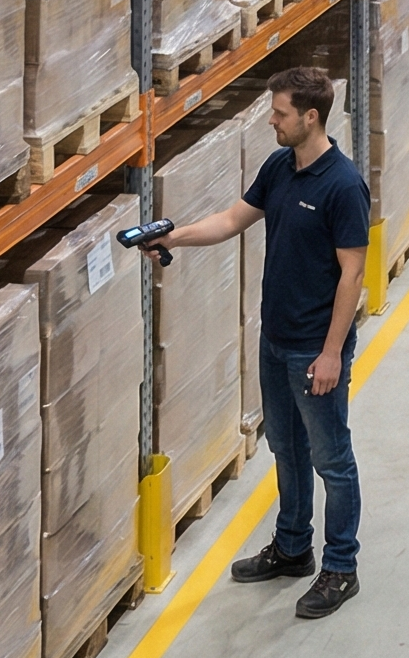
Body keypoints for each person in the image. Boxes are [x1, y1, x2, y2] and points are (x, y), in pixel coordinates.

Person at [136, 65, 368, 619]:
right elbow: (233, 219)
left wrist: (332, 352)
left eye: (280, 113)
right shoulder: (280, 167)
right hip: (275, 340)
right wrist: (174, 236)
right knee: (285, 450)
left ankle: (341, 566)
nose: (272, 120)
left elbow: (352, 275)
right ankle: (292, 547)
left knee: (331, 460)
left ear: (310, 117)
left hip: (315, 349)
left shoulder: (342, 185)